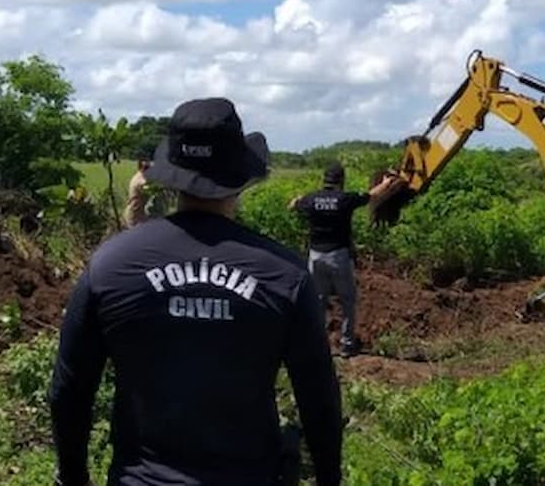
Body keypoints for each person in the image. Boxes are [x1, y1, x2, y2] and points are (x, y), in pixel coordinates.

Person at [48, 97, 343, 486]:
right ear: (240, 176)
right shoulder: (284, 275)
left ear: (170, 175)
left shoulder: (110, 265)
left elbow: (69, 389)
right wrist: (328, 479)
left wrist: (72, 478)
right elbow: (318, 400)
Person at [289, 162, 395, 358]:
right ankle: (346, 345)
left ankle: (317, 345)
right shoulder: (345, 199)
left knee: (318, 302)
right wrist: (388, 182)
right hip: (338, 256)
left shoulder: (311, 198)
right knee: (347, 301)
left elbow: (294, 205)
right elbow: (372, 195)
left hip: (315, 257)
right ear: (341, 181)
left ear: (325, 180)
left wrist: (298, 200)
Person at [123, 156, 152, 227]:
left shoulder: (140, 177)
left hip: (139, 215)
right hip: (134, 216)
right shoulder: (140, 180)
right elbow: (149, 188)